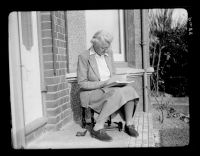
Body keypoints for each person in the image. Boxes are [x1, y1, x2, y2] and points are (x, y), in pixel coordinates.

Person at [77, 30, 139, 141]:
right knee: (116, 93)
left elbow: (112, 73)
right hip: (93, 92)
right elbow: (82, 83)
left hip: (110, 88)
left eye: (107, 47)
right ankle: (98, 126)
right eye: (102, 48)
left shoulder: (108, 53)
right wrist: (105, 83)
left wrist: (118, 80)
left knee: (129, 89)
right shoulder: (84, 57)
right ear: (94, 44)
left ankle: (129, 124)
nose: (105, 50)